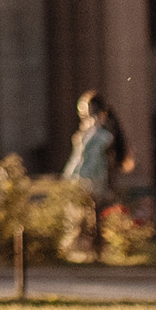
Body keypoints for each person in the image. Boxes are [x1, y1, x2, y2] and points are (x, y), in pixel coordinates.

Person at [61, 92, 121, 260]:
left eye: (82, 105)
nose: (79, 109)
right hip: (80, 178)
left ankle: (96, 252)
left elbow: (90, 159)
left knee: (92, 217)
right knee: (83, 216)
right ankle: (86, 252)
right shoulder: (88, 129)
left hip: (89, 180)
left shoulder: (99, 131)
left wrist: (82, 179)